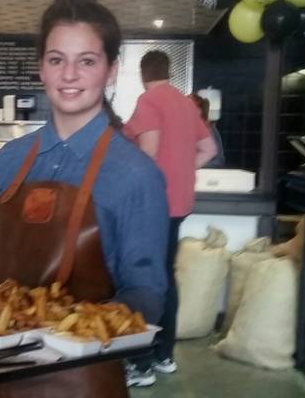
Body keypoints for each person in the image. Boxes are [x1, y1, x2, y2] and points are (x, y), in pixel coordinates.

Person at [0, 0, 169, 397]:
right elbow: (3, 272)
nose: (69, 75)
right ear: (41, 67)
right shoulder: (11, 159)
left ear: (111, 69)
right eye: (57, 59)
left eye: (86, 61)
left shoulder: (136, 174)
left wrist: (64, 328)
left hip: (81, 381)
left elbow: (148, 292)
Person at [123, 51, 218, 385]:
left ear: (142, 73)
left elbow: (147, 151)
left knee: (145, 279)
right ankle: (164, 356)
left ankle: (142, 364)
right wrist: (180, 170)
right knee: (166, 275)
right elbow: (209, 149)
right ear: (168, 71)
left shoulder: (149, 100)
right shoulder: (185, 102)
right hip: (179, 203)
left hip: (153, 204)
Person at [189, 93, 225, 168]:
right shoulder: (180, 128)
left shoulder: (210, 129)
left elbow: (219, 160)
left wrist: (193, 166)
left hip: (205, 174)